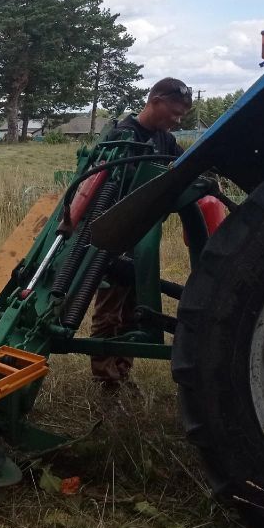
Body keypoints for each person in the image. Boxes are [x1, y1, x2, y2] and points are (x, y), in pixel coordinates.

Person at [89, 77, 193, 390]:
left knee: (135, 310)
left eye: (181, 117)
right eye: (174, 113)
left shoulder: (165, 140)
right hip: (116, 235)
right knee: (110, 310)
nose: (176, 120)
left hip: (144, 237)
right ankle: (105, 379)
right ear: (156, 100)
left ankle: (122, 372)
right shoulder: (124, 135)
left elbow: (181, 165)